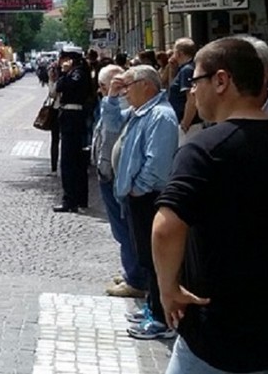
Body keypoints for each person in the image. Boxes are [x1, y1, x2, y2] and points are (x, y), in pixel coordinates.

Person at [153, 37, 268, 373]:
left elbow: (165, 227)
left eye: (195, 81)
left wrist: (168, 289)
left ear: (221, 80)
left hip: (215, 334)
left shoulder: (202, 149)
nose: (191, 92)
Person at [101, 65, 178, 339]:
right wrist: (111, 96)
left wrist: (138, 188)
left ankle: (161, 320)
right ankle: (153, 308)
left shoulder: (160, 116)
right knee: (146, 258)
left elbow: (157, 162)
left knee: (155, 259)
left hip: (148, 198)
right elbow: (111, 123)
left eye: (128, 86)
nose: (125, 91)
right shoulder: (139, 111)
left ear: (146, 85)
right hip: (137, 197)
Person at [93, 64, 146, 299]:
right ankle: (130, 272)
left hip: (117, 175)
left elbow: (113, 128)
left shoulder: (125, 103)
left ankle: (135, 279)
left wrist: (113, 97)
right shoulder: (115, 103)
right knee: (121, 229)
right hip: (110, 172)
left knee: (125, 230)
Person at [52, 47, 92, 212]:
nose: (61, 62)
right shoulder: (80, 72)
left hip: (73, 119)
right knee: (78, 162)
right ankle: (80, 198)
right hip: (73, 118)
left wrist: (63, 73)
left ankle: (70, 200)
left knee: (69, 162)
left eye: (64, 58)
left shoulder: (77, 74)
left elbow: (61, 87)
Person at [168, 38, 201, 145]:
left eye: (174, 52)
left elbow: (191, 99)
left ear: (179, 53)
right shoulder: (187, 68)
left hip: (189, 125)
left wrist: (185, 124)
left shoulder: (187, 70)